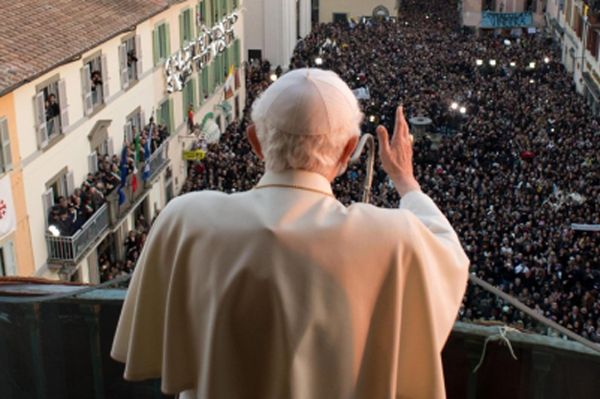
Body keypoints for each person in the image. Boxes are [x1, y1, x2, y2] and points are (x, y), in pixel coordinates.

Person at [111, 69, 469, 399]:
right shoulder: (393, 238)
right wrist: (406, 181)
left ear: (255, 141)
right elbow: (450, 256)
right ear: (348, 152)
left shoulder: (184, 219)